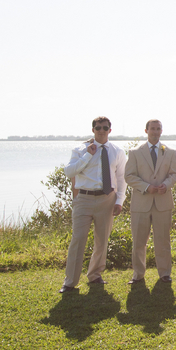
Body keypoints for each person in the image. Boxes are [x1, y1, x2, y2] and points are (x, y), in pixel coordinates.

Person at [60, 116, 127, 293]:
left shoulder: (117, 151)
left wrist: (119, 201)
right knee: (78, 239)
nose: (101, 130)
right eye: (98, 127)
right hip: (84, 198)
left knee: (101, 240)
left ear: (110, 131)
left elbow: (121, 178)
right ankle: (70, 282)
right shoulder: (80, 149)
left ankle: (95, 275)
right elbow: (69, 172)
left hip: (107, 199)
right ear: (93, 130)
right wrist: (88, 155)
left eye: (105, 128)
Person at [125, 119, 176, 285]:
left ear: (161, 131)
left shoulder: (170, 152)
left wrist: (167, 185)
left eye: (158, 129)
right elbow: (129, 176)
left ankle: (164, 273)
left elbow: (174, 174)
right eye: (152, 129)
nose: (155, 132)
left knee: (163, 240)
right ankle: (138, 274)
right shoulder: (135, 152)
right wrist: (146, 187)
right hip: (141, 203)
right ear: (146, 130)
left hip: (163, 202)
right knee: (139, 241)